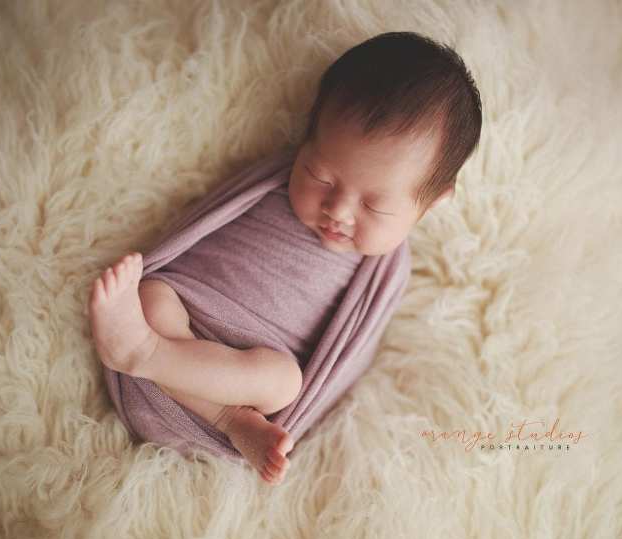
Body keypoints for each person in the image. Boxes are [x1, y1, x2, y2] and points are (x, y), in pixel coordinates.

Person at [88, 31, 482, 484]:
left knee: (284, 381)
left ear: (429, 205)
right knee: (154, 294)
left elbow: (344, 356)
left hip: (244, 390)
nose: (338, 210)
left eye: (373, 205)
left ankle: (160, 365)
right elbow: (200, 223)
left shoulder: (387, 270)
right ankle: (148, 351)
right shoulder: (271, 180)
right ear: (305, 141)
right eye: (319, 174)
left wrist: (295, 414)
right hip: (181, 326)